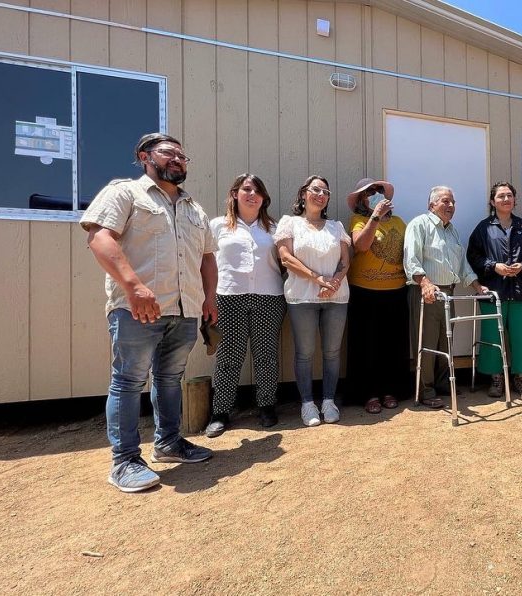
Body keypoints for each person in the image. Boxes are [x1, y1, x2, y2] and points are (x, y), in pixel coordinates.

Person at [80, 133, 216, 493]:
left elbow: (206, 257)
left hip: (185, 309)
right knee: (128, 381)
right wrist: (133, 286)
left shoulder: (193, 208)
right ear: (144, 156)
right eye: (169, 153)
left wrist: (209, 298)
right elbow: (99, 237)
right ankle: (124, 461)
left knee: (170, 379)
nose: (178, 160)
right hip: (137, 308)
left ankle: (168, 443)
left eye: (183, 157)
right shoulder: (125, 193)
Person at [204, 174, 286, 437]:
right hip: (229, 297)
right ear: (235, 194)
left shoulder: (273, 229)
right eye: (247, 189)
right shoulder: (218, 226)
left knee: (265, 355)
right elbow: (206, 262)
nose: (252, 195)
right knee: (229, 355)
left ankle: (266, 406)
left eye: (258, 191)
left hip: (268, 296)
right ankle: (221, 412)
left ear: (264, 198)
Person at [274, 176, 351, 427]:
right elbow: (286, 258)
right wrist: (319, 279)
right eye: (315, 189)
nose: (321, 194)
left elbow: (345, 261)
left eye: (325, 191)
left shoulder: (336, 226)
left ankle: (328, 401)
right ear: (303, 194)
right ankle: (307, 404)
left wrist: (335, 281)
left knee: (332, 352)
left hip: (336, 297)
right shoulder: (290, 224)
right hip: (302, 296)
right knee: (305, 353)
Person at [403, 186, 488, 408]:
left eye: (453, 202)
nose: (450, 206)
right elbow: (411, 259)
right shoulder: (419, 224)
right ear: (431, 205)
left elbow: (462, 265)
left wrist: (478, 286)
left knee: (446, 339)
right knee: (427, 342)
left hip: (448, 292)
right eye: (445, 201)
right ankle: (426, 390)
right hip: (426, 292)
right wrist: (426, 284)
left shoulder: (452, 231)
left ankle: (442, 383)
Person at [467, 182, 522, 399]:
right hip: (493, 292)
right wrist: (493, 266)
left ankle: (521, 379)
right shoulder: (483, 228)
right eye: (501, 196)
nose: (506, 199)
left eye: (509, 195)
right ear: (492, 201)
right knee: (492, 336)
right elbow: (473, 255)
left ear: (515, 200)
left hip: (520, 291)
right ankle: (496, 379)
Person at [345, 177, 410, 414]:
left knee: (392, 345)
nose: (375, 194)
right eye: (369, 192)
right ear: (362, 200)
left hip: (396, 292)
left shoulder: (401, 223)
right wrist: (375, 218)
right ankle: (368, 393)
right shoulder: (359, 220)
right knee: (367, 345)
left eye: (378, 191)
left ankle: (391, 390)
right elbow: (360, 246)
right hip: (365, 293)